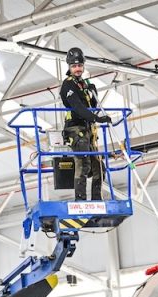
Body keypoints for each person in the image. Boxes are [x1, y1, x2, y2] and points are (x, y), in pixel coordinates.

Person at [59, 47, 111, 201]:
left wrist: (94, 94)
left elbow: (92, 106)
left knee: (99, 167)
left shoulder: (84, 85)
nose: (77, 69)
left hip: (88, 129)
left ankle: (97, 199)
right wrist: (98, 118)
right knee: (83, 163)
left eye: (80, 65)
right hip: (75, 129)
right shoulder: (68, 85)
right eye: (74, 66)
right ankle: (80, 199)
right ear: (69, 67)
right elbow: (78, 107)